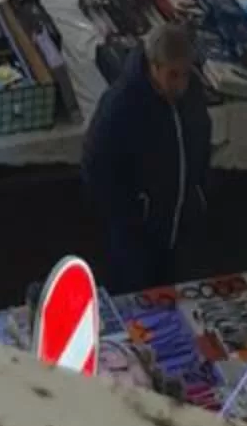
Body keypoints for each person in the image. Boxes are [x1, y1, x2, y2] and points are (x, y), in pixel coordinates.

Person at [81, 19, 212, 293]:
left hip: (181, 229)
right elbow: (96, 166)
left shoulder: (192, 93)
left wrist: (199, 191)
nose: (181, 84)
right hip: (135, 241)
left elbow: (201, 141)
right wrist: (131, 215)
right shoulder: (121, 105)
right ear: (153, 66)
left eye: (185, 74)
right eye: (172, 75)